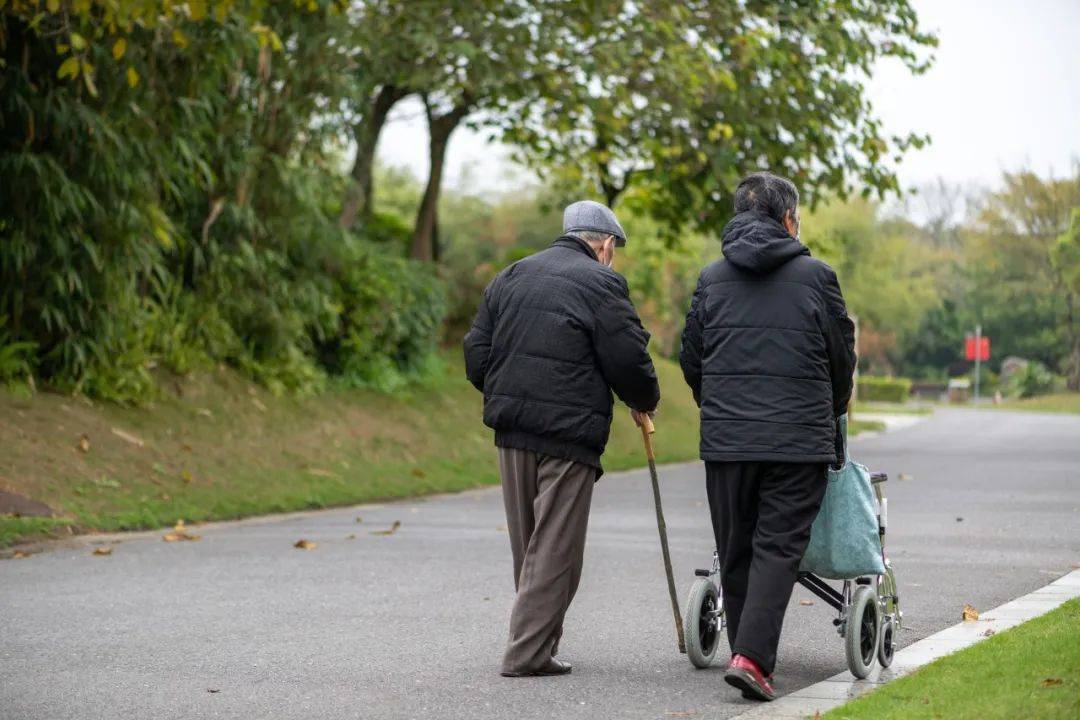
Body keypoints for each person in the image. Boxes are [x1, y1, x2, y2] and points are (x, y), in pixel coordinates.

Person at [463, 200, 661, 678]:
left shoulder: (512, 274)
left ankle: (538, 644)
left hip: (513, 431)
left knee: (530, 544)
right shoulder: (602, 282)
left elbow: (476, 352)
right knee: (555, 548)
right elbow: (626, 355)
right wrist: (643, 397)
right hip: (569, 433)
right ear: (606, 243)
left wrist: (507, 388)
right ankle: (526, 653)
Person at [679, 172, 856, 701]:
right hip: (798, 441)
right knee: (777, 546)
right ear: (788, 220)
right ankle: (751, 658)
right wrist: (831, 409)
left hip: (728, 440)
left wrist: (717, 406)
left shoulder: (712, 279)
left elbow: (692, 357)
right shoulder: (818, 277)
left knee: (736, 547)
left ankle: (745, 652)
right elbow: (840, 361)